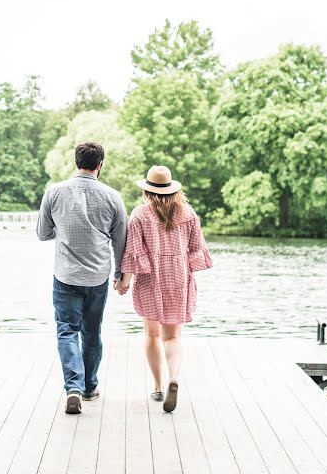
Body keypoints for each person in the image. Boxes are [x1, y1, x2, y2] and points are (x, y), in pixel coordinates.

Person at [37, 142, 127, 414]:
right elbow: (121, 241)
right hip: (98, 277)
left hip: (65, 275)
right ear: (100, 165)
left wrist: (63, 232)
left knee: (67, 330)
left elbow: (43, 233)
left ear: (76, 161)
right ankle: (89, 387)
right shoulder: (113, 197)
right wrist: (120, 274)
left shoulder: (54, 193)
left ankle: (73, 388)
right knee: (91, 331)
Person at [115, 165, 213, 412]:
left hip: (150, 279)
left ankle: (158, 387)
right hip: (179, 278)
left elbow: (135, 254)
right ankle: (174, 378)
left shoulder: (139, 214)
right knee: (173, 336)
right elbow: (196, 251)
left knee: (153, 334)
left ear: (147, 191)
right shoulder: (188, 213)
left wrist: (123, 282)